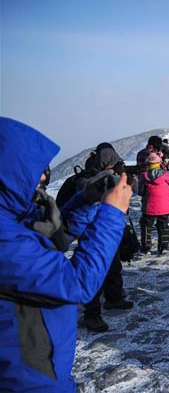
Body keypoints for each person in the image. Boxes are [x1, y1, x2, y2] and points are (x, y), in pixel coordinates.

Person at [0, 117, 132, 391]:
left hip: (43, 362)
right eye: (32, 169)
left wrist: (86, 200)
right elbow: (76, 284)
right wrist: (112, 214)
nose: (43, 176)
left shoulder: (11, 215)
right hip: (26, 377)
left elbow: (49, 235)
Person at [75, 147, 136, 332]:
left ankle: (114, 298)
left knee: (113, 265)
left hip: (108, 231)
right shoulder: (87, 181)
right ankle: (91, 315)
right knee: (94, 271)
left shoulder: (110, 178)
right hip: (92, 234)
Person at [139, 153, 169, 255]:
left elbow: (141, 191)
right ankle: (163, 247)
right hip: (164, 205)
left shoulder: (144, 177)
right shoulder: (166, 175)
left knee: (146, 225)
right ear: (159, 163)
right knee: (163, 225)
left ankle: (146, 247)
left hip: (149, 205)